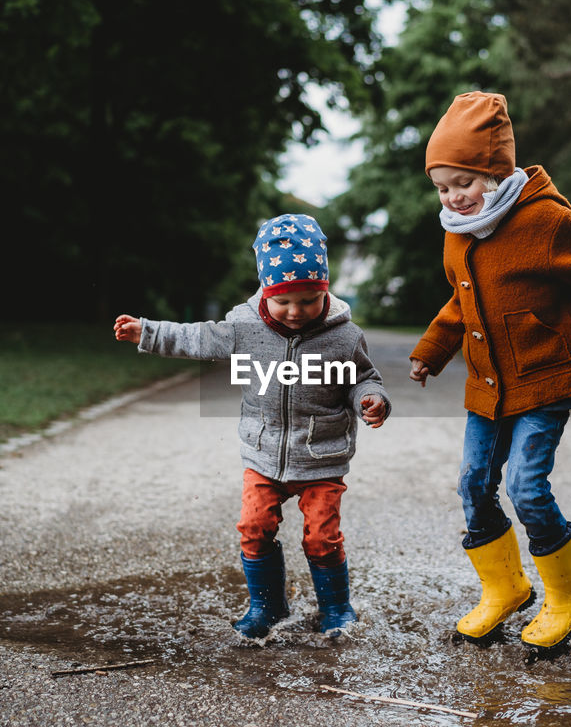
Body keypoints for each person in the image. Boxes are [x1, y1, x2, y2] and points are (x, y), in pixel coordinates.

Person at [408, 92, 571, 655]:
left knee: (524, 484)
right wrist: (432, 349)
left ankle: (569, 592)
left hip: (546, 378)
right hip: (488, 387)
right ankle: (506, 587)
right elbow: (459, 302)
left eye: (463, 184)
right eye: (442, 187)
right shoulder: (457, 233)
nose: (452, 197)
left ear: (495, 173)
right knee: (473, 483)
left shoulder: (543, 220)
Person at [114, 213, 390, 641]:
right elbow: (197, 337)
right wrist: (146, 332)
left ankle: (336, 607)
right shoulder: (244, 327)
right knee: (254, 527)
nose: (295, 312)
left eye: (307, 301)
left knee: (322, 538)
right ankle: (267, 604)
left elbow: (362, 378)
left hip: (321, 457)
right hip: (263, 456)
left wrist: (371, 399)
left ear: (325, 291)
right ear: (265, 291)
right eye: (284, 302)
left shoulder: (344, 336)